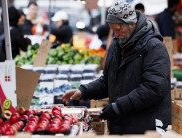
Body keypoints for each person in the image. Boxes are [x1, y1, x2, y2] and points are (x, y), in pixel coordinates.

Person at [62, 1, 171, 135]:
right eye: (112, 30)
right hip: (121, 125)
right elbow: (108, 82)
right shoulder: (116, 46)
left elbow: (153, 88)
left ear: (131, 24)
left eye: (118, 30)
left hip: (147, 128)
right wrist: (83, 91)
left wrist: (118, 107)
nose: (115, 35)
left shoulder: (154, 47)